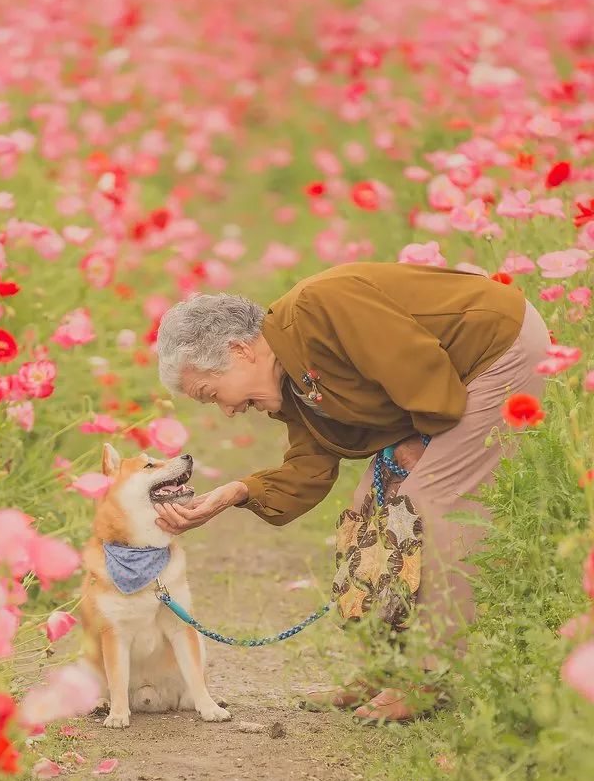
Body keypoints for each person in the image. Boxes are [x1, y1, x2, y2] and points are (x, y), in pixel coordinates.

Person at [153, 262, 551, 723]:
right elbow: (310, 466)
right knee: (367, 507)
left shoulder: (321, 307)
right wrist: (237, 492)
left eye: (210, 393)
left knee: (428, 502)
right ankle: (386, 666)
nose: (225, 411)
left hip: (497, 353)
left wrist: (420, 437)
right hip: (443, 388)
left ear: (240, 351)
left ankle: (431, 677)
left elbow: (420, 368)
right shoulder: (288, 377)